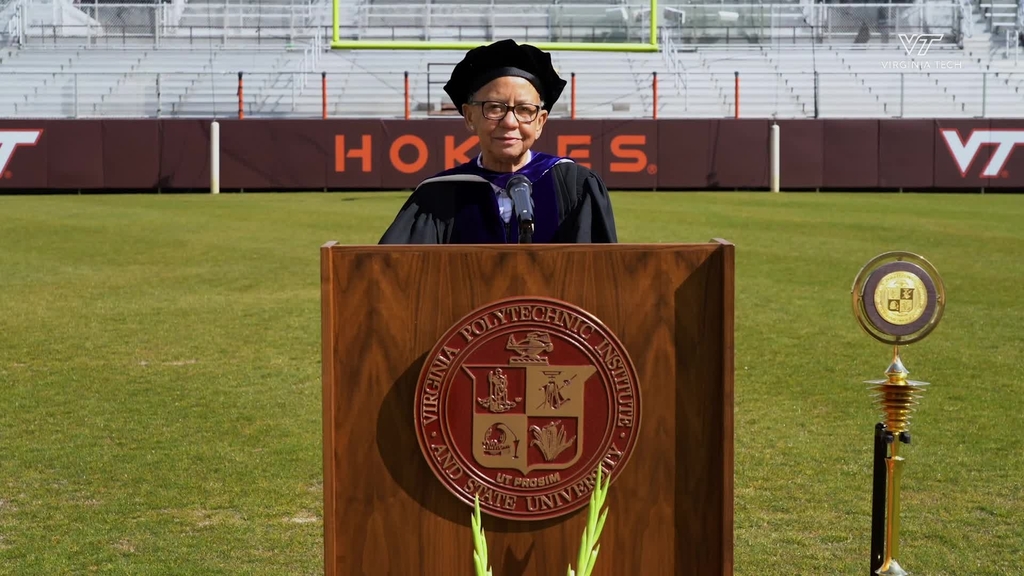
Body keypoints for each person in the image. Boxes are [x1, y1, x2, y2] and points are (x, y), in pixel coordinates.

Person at [377, 39, 619, 244]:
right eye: (494, 108)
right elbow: (395, 278)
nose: (510, 122)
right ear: (470, 117)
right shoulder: (438, 196)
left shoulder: (575, 187)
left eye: (525, 110)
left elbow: (600, 280)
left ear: (540, 122)